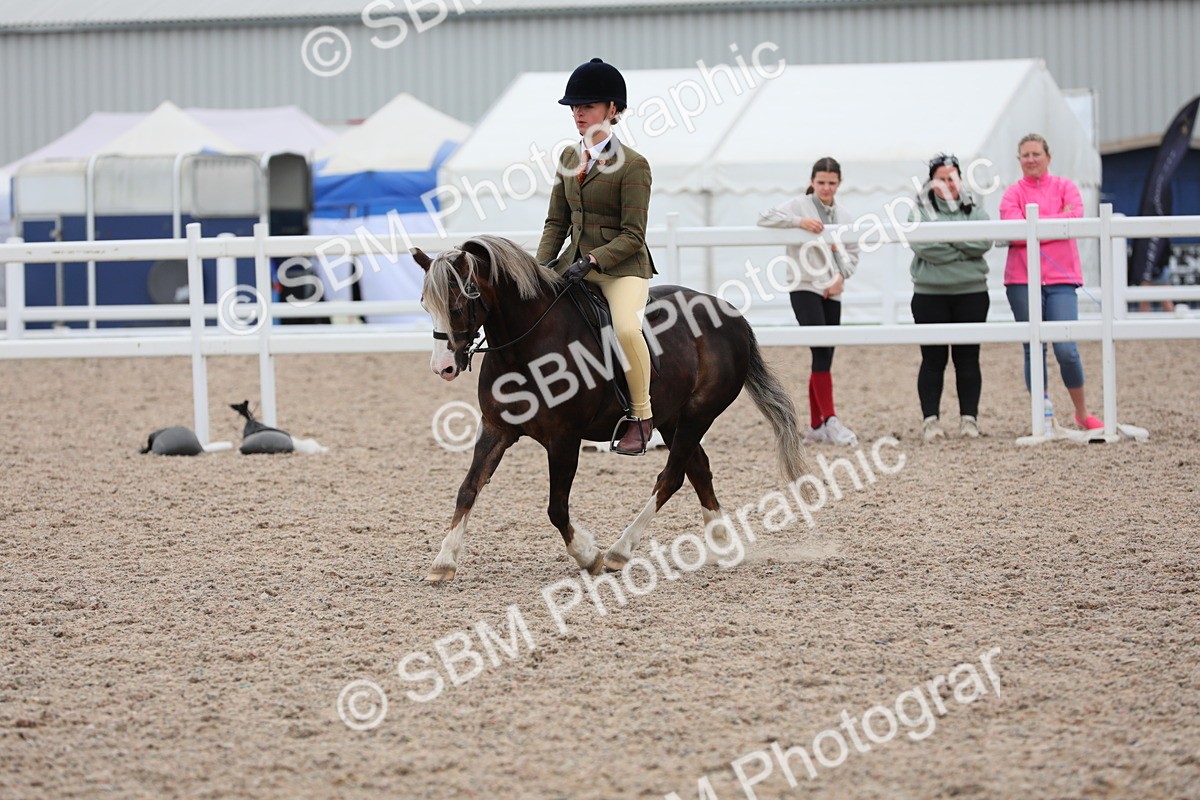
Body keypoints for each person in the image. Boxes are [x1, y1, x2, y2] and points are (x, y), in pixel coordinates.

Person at [535, 58, 657, 455]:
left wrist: (593, 261)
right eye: (574, 107)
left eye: (586, 106)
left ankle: (642, 415)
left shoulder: (635, 165)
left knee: (624, 328)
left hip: (622, 269)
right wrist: (538, 269)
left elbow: (633, 235)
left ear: (612, 109)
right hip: (573, 264)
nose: (578, 114)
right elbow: (556, 221)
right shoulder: (569, 160)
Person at [1000, 133, 1103, 431]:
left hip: (1062, 279)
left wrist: (1034, 230)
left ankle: (1081, 412)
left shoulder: (1065, 187)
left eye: (1036, 154)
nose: (1031, 159)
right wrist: (1053, 224)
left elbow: (1075, 218)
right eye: (1025, 155)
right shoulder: (1011, 193)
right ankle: (1043, 415)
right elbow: (1014, 229)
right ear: (1019, 160)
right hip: (1022, 280)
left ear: (1048, 157)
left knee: (1066, 348)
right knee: (1034, 347)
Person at [758, 157, 860, 446]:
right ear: (812, 182)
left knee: (825, 355)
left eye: (831, 183)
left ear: (839, 183)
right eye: (821, 182)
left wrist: (841, 277)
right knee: (820, 350)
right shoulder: (798, 205)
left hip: (833, 288)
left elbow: (853, 252)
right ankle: (830, 419)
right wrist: (797, 222)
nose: (826, 188)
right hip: (804, 285)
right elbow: (764, 217)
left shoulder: (846, 215)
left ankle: (818, 425)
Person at [907, 154, 993, 441]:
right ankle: (930, 421)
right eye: (942, 178)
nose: (948, 184)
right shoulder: (918, 211)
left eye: (952, 177)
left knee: (968, 358)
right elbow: (924, 247)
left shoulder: (975, 210)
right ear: (932, 182)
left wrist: (946, 239)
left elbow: (984, 241)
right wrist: (961, 246)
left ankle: (969, 420)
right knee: (933, 359)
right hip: (930, 294)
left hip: (972, 293)